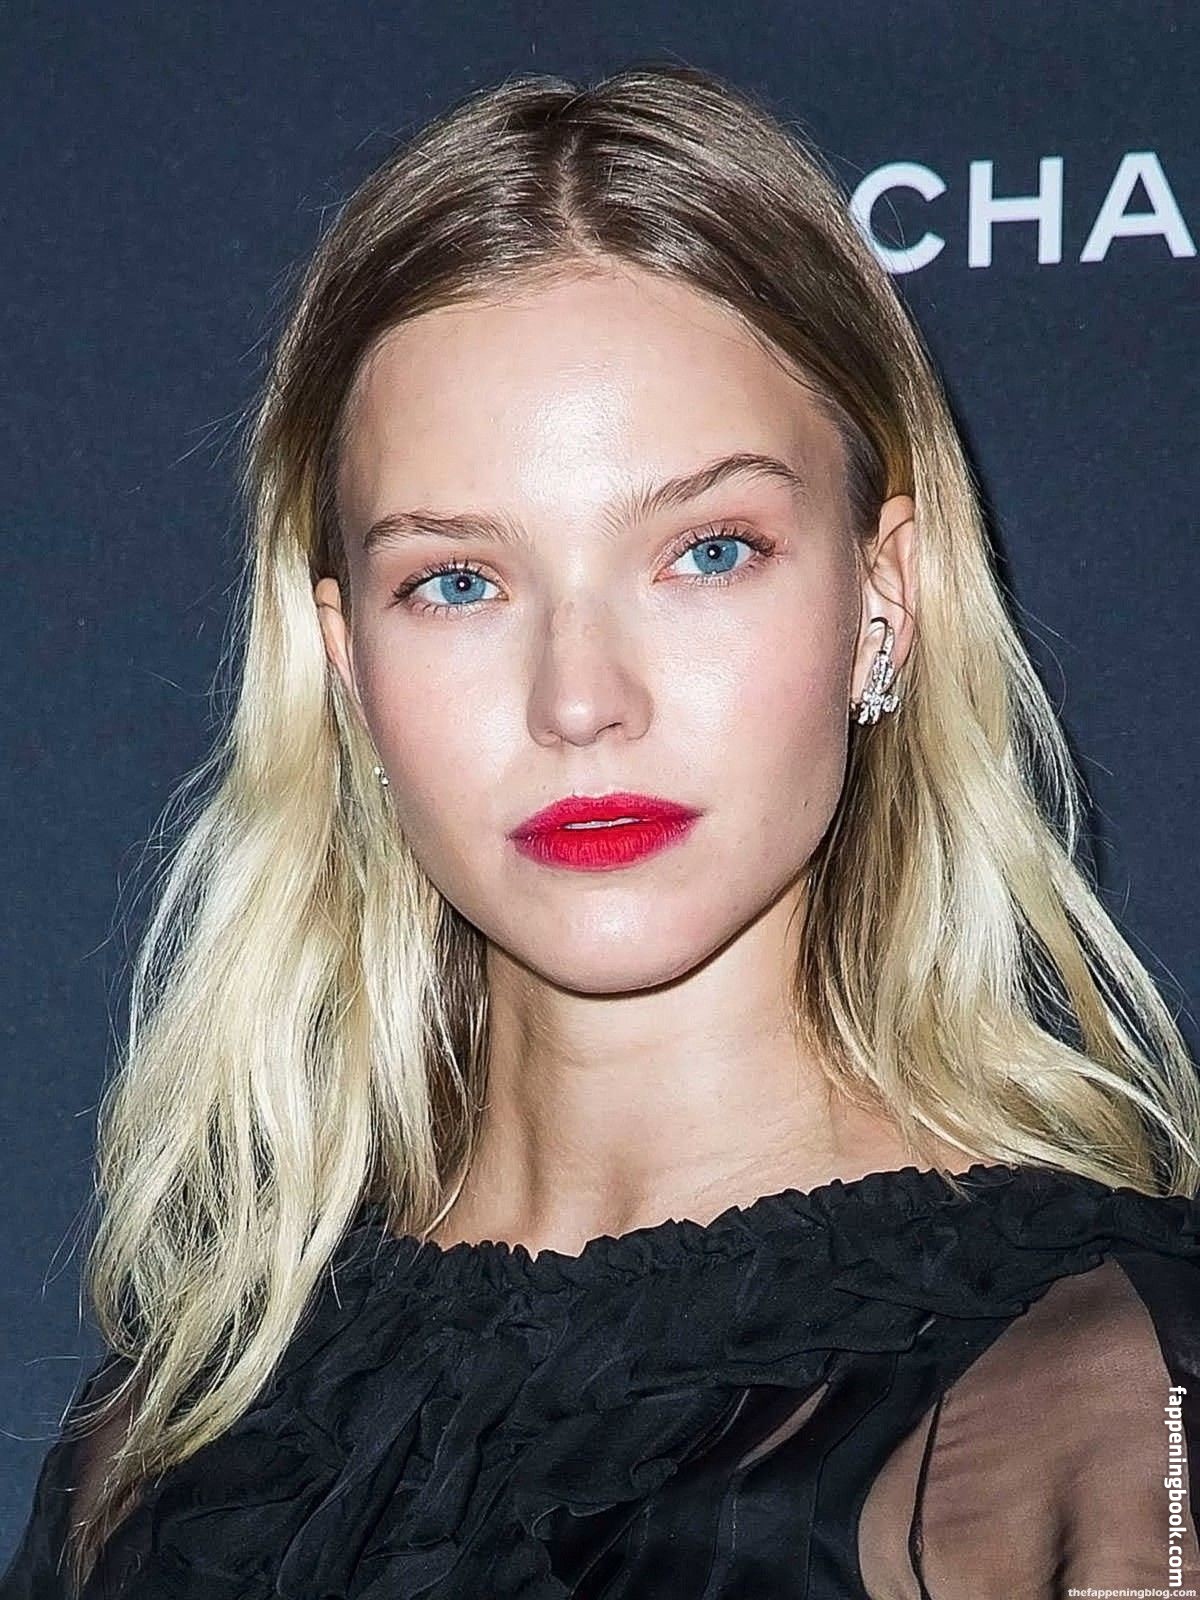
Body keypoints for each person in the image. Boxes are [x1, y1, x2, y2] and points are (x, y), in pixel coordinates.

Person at [4, 61, 1200, 1600]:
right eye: (457, 581)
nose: (580, 701)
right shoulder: (175, 1430)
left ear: (882, 595)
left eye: (706, 552)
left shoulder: (1094, 1405)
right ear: (348, 666)